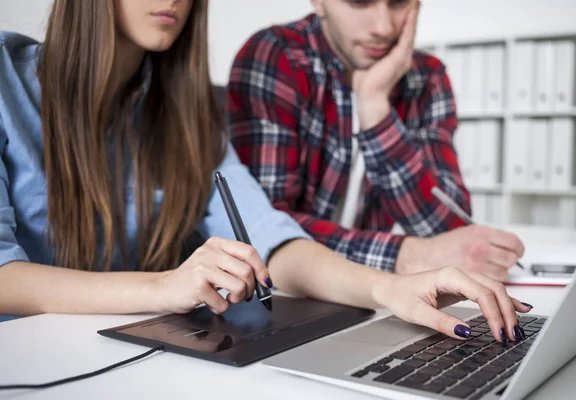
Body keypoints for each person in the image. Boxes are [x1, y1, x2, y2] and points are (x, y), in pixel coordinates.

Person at [0, 0, 530, 343]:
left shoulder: (188, 116)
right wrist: (168, 284)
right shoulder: (6, 80)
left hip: (120, 359)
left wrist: (387, 289)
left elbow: (273, 237)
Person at [227, 0, 525, 282]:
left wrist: (374, 107)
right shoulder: (276, 55)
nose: (383, 27)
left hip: (370, 297)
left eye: (397, 3)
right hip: (289, 297)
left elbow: (447, 232)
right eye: (359, 2)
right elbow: (262, 229)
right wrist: (404, 256)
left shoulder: (427, 77)